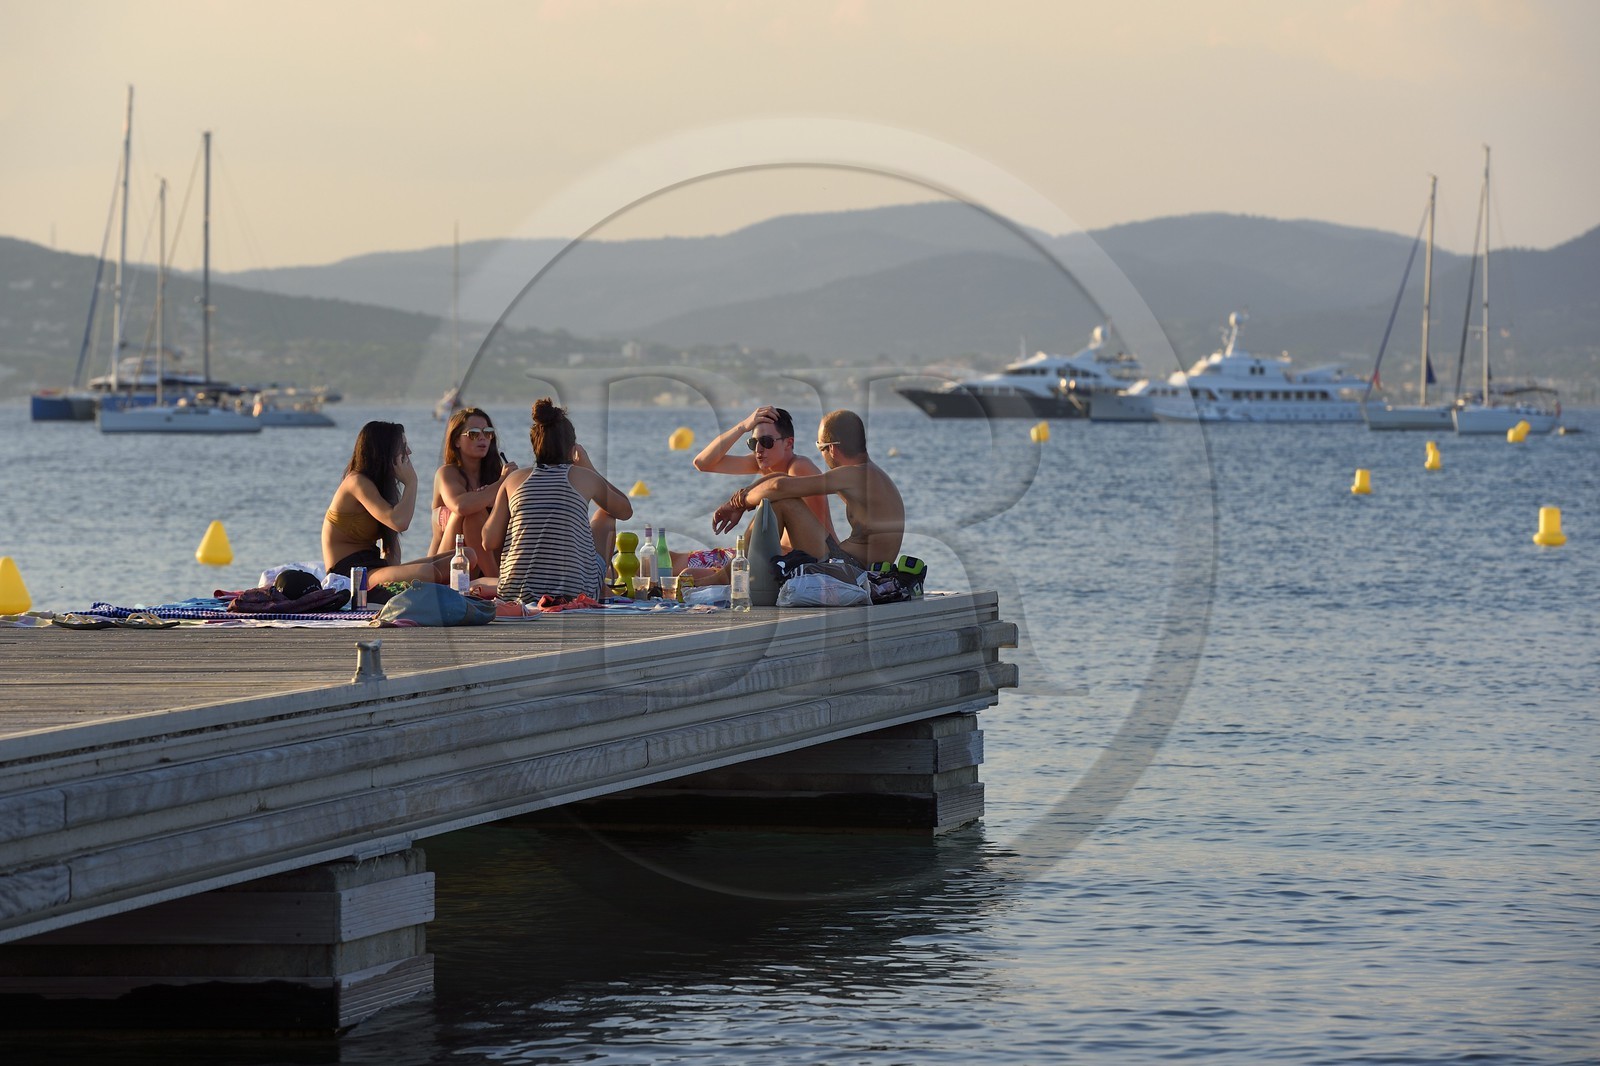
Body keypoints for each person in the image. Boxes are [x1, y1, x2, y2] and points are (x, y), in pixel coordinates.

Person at [485, 398, 633, 603]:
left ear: (535, 445)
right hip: (574, 592)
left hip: (514, 593)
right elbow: (625, 511)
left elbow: (488, 540)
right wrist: (590, 468)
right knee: (606, 515)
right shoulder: (585, 477)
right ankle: (599, 590)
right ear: (572, 448)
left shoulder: (513, 480)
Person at [712, 409, 903, 568]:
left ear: (832, 449)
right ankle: (738, 574)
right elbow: (782, 479)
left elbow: (779, 487)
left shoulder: (854, 475)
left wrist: (740, 503)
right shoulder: (870, 474)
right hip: (858, 565)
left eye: (820, 447)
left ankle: (729, 576)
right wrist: (741, 498)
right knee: (782, 494)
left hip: (854, 570)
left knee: (783, 503)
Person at [685, 405, 835, 582]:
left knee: (691, 573)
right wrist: (742, 427)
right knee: (686, 572)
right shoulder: (763, 463)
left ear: (789, 443)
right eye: (753, 443)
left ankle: (721, 579)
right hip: (775, 555)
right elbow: (703, 463)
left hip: (812, 558)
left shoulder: (800, 467)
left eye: (767, 442)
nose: (759, 450)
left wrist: (738, 503)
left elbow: (777, 487)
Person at [322, 420, 462, 587]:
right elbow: (399, 523)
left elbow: (391, 547)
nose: (409, 452)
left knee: (464, 557)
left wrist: (395, 578)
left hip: (376, 568)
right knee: (428, 573)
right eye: (402, 447)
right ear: (383, 451)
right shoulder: (356, 482)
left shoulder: (382, 487)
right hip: (350, 574)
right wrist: (411, 482)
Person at [426, 406, 518, 578]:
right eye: (474, 433)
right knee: (471, 512)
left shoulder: (497, 474)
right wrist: (501, 484)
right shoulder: (447, 473)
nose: (482, 438)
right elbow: (460, 506)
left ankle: (496, 580)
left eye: (488, 433)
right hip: (447, 565)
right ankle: (497, 585)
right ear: (456, 441)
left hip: (488, 561)